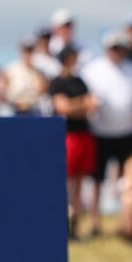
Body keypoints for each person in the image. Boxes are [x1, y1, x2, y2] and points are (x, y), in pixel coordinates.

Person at [83, 30, 132, 234]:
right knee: (96, 180)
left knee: (128, 181)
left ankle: (128, 223)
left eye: (119, 47)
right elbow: (86, 100)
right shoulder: (92, 70)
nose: (115, 52)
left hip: (128, 133)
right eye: (112, 48)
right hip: (100, 132)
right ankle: (95, 223)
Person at [49, 46, 97, 240]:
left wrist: (75, 105)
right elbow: (63, 108)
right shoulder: (57, 83)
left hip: (84, 134)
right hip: (68, 137)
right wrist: (81, 104)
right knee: (65, 184)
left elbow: (91, 105)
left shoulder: (80, 81)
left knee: (79, 184)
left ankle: (75, 227)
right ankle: (63, 227)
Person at [0, 35, 50, 116]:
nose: (28, 53)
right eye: (26, 50)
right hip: (13, 109)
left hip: (33, 109)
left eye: (30, 50)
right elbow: (2, 92)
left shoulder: (40, 72)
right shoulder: (10, 69)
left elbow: (42, 92)